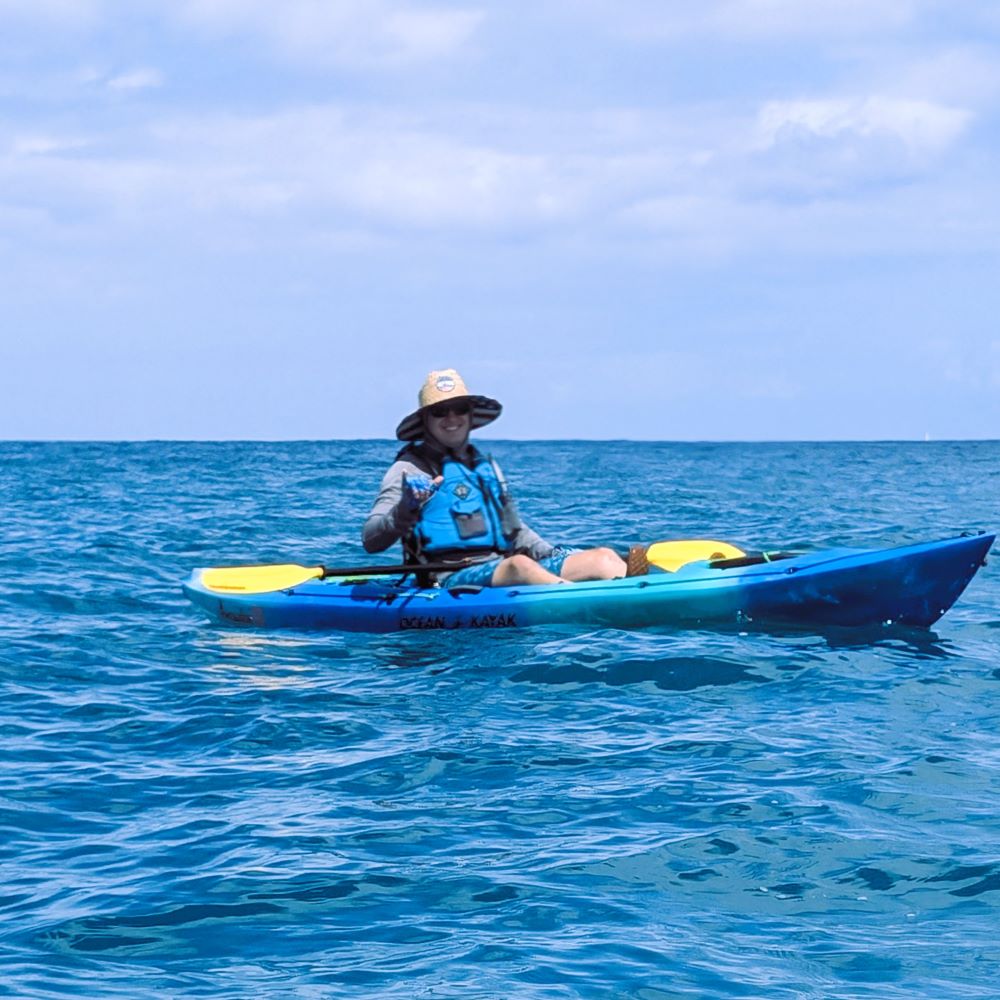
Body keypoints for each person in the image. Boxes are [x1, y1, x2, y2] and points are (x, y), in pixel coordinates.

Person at [362, 369, 627, 587]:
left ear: (469, 415)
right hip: (447, 579)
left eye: (459, 408)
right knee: (520, 566)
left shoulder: (482, 467)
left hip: (502, 568)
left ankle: (636, 591)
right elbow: (371, 540)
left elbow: (514, 530)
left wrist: (551, 554)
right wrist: (404, 510)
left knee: (603, 558)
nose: (452, 418)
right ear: (425, 421)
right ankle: (584, 601)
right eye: (440, 411)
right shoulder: (408, 470)